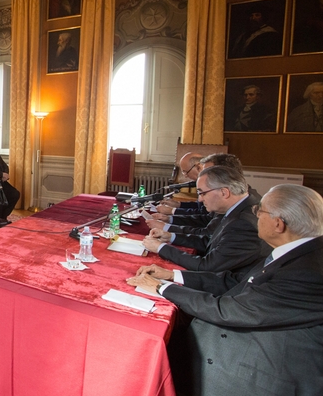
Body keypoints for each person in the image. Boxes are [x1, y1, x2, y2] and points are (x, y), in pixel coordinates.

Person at [127, 184, 323, 396]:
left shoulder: (307, 273)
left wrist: (160, 287)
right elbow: (235, 282)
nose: (254, 215)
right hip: (249, 340)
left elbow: (230, 311)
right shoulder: (299, 252)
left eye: (260, 211)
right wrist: (172, 276)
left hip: (258, 373)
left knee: (146, 347)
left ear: (278, 224)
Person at [143, 166, 269, 274]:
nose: (200, 200)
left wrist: (161, 248)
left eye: (203, 193)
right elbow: (211, 241)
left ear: (224, 193)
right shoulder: (241, 206)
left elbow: (208, 266)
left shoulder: (243, 222)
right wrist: (170, 236)